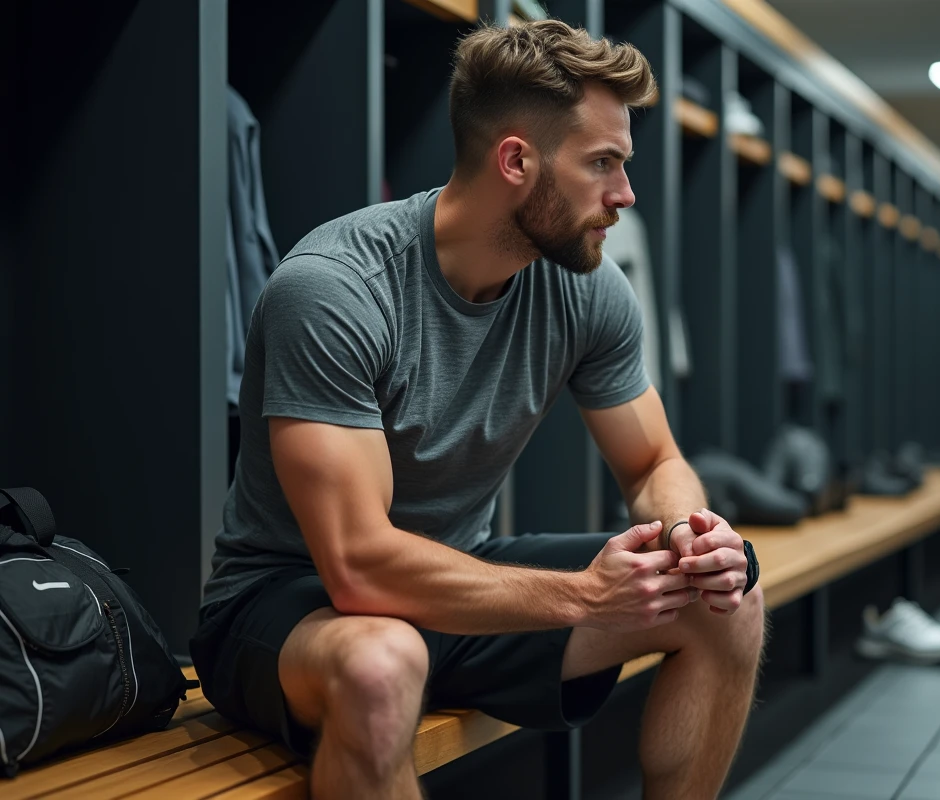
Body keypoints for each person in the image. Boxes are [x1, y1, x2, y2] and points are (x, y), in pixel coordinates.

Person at [190, 19, 764, 800]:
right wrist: (583, 594)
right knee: (382, 664)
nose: (625, 195)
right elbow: (357, 566)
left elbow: (654, 462)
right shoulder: (334, 288)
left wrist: (688, 538)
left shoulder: (588, 288)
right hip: (296, 608)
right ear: (517, 160)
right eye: (603, 164)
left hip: (462, 582)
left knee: (727, 602)